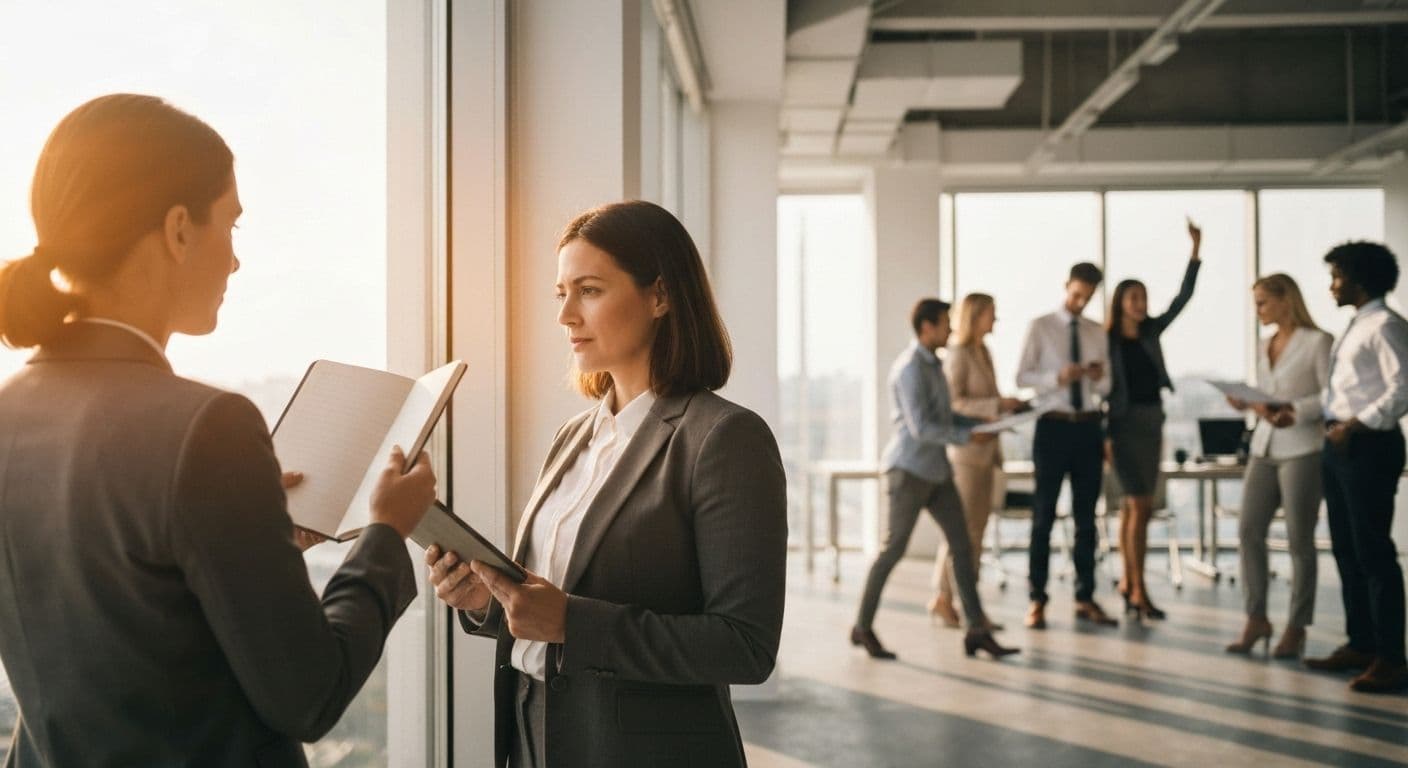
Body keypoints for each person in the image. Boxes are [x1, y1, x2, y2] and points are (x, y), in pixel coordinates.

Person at [0, 94, 436, 767]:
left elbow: (117, 628)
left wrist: (254, 541)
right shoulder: (207, 427)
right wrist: (384, 534)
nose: (234, 261)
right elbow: (309, 696)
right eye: (230, 225)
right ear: (179, 230)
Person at [424, 201, 787, 767]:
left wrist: (572, 621)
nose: (565, 315)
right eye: (561, 293)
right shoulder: (574, 435)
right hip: (535, 735)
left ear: (661, 296)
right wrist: (486, 601)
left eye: (589, 290)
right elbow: (554, 602)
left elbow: (746, 645)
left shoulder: (724, 438)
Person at [851, 298, 1018, 661]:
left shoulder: (935, 365)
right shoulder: (910, 369)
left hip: (937, 472)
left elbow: (948, 415)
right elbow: (922, 427)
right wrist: (966, 437)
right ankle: (862, 626)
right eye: (945, 322)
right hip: (908, 471)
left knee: (962, 547)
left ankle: (976, 629)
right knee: (892, 551)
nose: (950, 328)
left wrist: (979, 427)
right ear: (927, 327)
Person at [1303, 241, 1408, 694]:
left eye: (1337, 276)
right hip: (1340, 445)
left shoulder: (1386, 325)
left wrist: (1355, 425)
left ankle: (1391, 658)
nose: (1331, 285)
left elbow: (1403, 388)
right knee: (1346, 549)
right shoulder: (1358, 325)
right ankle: (1361, 643)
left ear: (1359, 278)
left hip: (1367, 445)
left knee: (1374, 554)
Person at [1225, 274, 1331, 658]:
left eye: (1263, 302)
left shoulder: (1318, 341)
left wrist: (1295, 410)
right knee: (1248, 530)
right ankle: (1257, 618)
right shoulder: (1263, 343)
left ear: (1287, 300)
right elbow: (1269, 397)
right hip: (1264, 446)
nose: (1258, 311)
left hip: (1303, 447)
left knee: (1299, 540)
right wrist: (1247, 402)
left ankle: (1297, 626)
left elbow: (1330, 394)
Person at [1105, 220, 1202, 622]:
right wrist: (1104, 435)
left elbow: (1182, 299)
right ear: (1120, 301)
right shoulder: (1106, 340)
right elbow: (1102, 391)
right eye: (1132, 297)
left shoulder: (1151, 332)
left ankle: (1130, 583)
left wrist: (1195, 253)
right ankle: (1139, 588)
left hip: (1151, 422)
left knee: (1134, 508)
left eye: (1143, 297)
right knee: (1140, 504)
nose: (1139, 303)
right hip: (1121, 426)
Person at [1016, 263, 1118, 630]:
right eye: (1077, 294)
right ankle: (1036, 599)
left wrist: (1097, 377)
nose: (1080, 302)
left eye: (1087, 297)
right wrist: (1056, 377)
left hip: (1088, 428)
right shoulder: (1040, 327)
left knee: (1086, 520)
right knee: (1042, 515)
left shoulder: (1096, 332)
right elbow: (1021, 377)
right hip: (1053, 428)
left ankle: (1084, 596)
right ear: (1066, 286)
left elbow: (1106, 388)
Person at [927, 293, 1025, 630]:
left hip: (987, 454)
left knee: (976, 533)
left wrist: (1003, 407)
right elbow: (953, 403)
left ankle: (964, 605)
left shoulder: (983, 352)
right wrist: (996, 406)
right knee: (961, 534)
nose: (996, 320)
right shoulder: (957, 355)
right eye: (992, 314)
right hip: (966, 456)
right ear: (976, 316)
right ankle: (946, 599)